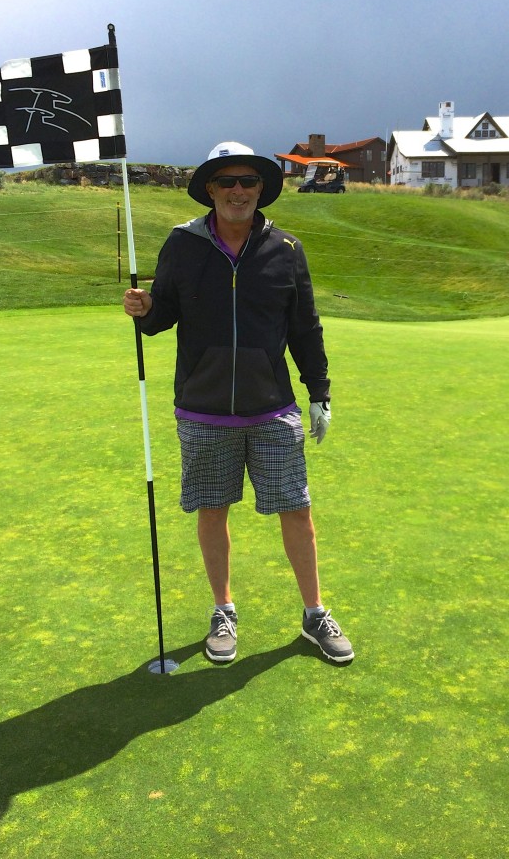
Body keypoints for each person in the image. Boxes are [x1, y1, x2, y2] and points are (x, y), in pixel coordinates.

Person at [123, 142, 354, 665]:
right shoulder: (182, 244)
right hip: (203, 409)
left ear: (260, 190)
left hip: (271, 407)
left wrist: (319, 391)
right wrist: (144, 307)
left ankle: (314, 612)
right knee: (213, 510)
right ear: (210, 189)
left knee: (297, 511)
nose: (237, 190)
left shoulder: (286, 250)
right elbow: (162, 318)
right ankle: (223, 609)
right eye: (226, 181)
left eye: (248, 181)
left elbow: (304, 327)